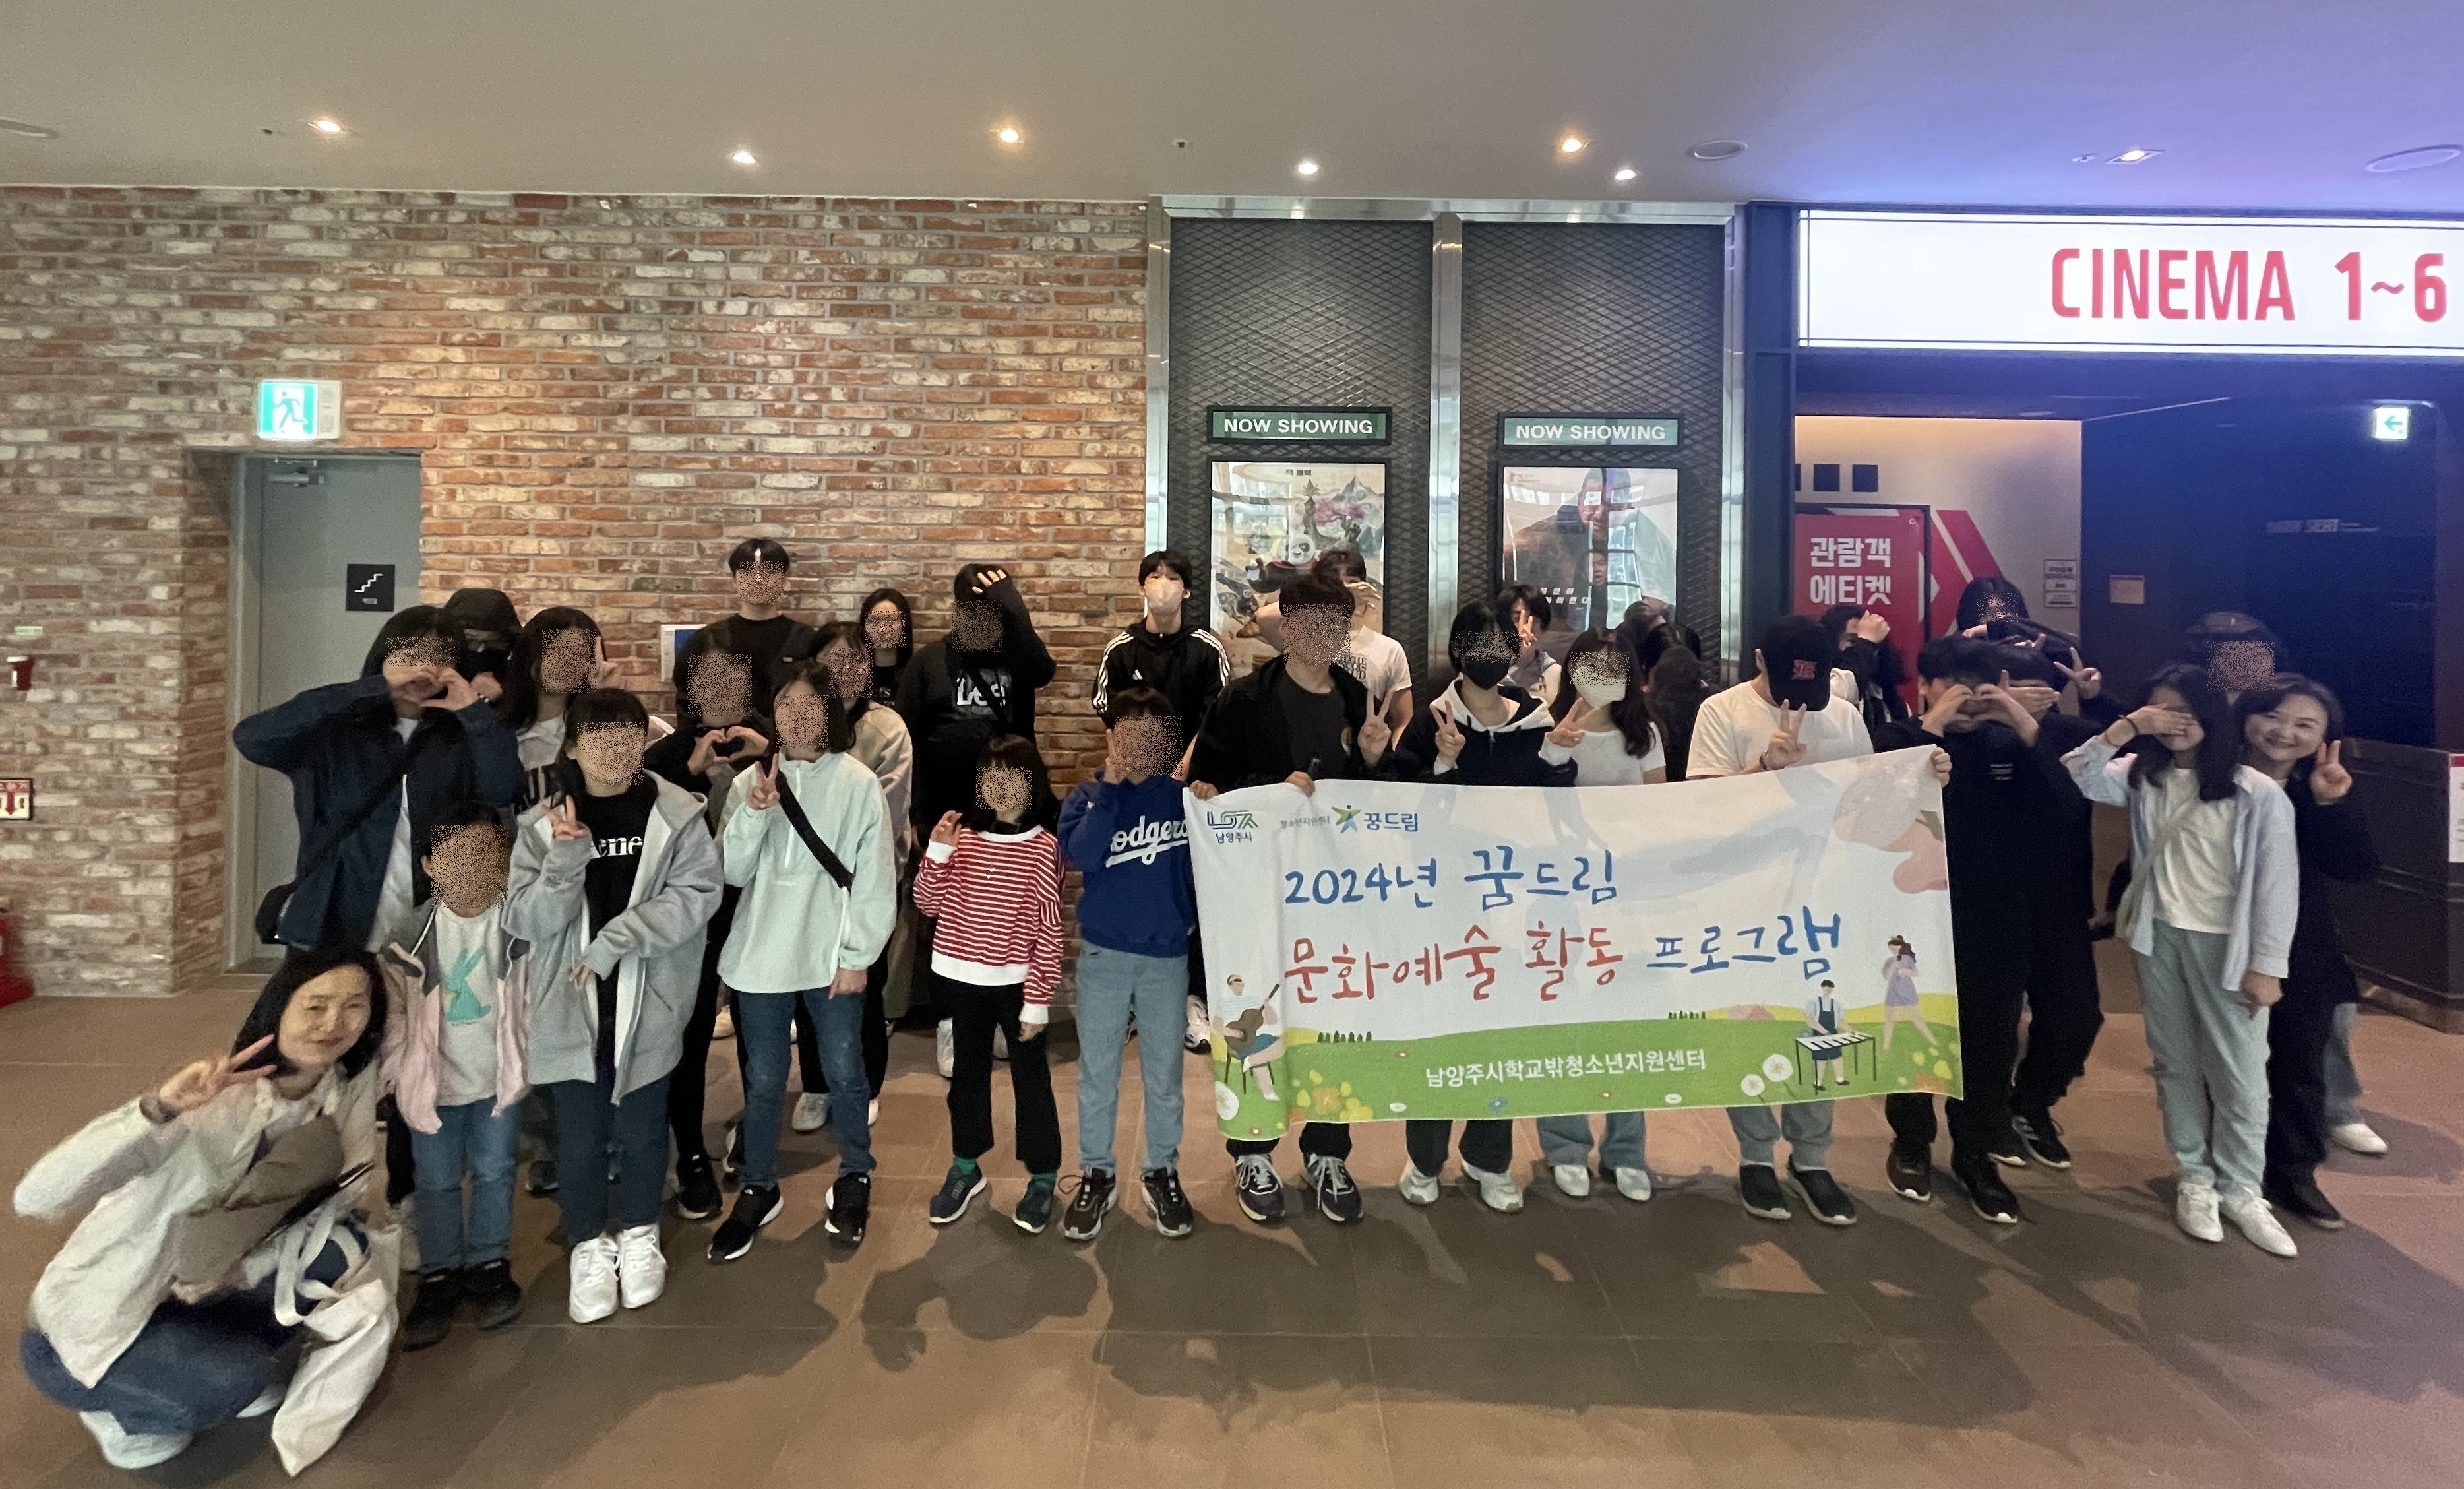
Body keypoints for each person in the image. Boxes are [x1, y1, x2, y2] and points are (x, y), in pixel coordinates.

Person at [15, 950, 393, 1473]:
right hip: (86, 1331)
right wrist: (156, 1109)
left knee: (338, 1250)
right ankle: (119, 1412)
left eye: (354, 1006)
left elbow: (335, 1204)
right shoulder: (210, 1103)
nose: (333, 1023)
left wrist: (242, 1269)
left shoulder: (336, 1096)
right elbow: (35, 1196)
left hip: (193, 1290)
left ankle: (196, 1358)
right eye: (316, 1005)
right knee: (235, 1380)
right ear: (278, 1007)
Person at [2064, 665, 2301, 1256]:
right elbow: (2073, 774)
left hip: (2229, 945)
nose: (2175, 722)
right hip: (2161, 935)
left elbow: (2278, 886)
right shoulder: (2143, 776)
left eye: (2186, 710)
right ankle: (2194, 1175)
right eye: (2162, 711)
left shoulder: (2256, 792)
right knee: (2175, 1061)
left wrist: (2268, 965)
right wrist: (2127, 726)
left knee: (2241, 1070)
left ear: (2212, 714)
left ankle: (2243, 1188)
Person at [505, 688, 722, 1321]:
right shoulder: (541, 826)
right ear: (571, 746)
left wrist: (617, 939)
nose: (615, 747)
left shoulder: (677, 814)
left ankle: (639, 1231)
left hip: (649, 995)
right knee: (579, 1135)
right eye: (598, 735)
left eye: (629, 733)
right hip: (569, 1001)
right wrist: (565, 860)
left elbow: (698, 893)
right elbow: (524, 918)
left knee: (645, 1126)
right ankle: (587, 1243)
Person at [1188, 566, 1392, 1226]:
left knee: (1335, 1017)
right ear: (1287, 625)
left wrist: (1372, 756)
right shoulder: (1243, 700)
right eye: (1311, 621)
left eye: (1337, 621)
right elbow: (1209, 791)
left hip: (1337, 896)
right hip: (1260, 891)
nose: (1324, 633)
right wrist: (1274, 789)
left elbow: (1377, 805)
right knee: (1257, 1015)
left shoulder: (1359, 698)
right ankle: (1252, 1150)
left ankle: (1327, 1151)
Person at [1872, 638, 2078, 1225]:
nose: (1966, 703)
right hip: (1913, 919)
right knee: (1913, 1030)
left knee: (1989, 1043)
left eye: (1977, 690)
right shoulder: (1901, 739)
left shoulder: (2010, 744)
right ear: (1925, 687)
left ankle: (1975, 1153)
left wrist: (2019, 720)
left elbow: (2065, 809)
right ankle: (1911, 1142)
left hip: (1998, 916)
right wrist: (1931, 728)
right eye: (1950, 688)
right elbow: (1874, 804)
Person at [1684, 613, 1872, 1226]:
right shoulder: (1723, 711)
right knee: (1752, 1027)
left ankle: (1812, 1158)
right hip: (1746, 901)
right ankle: (1756, 1155)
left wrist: (1926, 777)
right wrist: (1766, 769)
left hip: (1824, 901)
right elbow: (1699, 806)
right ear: (1760, 660)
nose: (1800, 701)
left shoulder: (1843, 716)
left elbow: (1870, 797)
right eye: (1788, 685)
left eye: (1812, 688)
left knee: (1823, 1025)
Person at [1386, 601, 1574, 1213]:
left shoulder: (1535, 717)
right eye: (1482, 645)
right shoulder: (1432, 720)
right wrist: (1443, 762)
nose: (1495, 655)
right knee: (1440, 1032)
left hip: (1515, 905)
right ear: (1459, 652)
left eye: (1503, 644)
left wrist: (1556, 757)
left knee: (1503, 1033)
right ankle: (1424, 1159)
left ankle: (1489, 1157)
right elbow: (1402, 811)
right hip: (1446, 906)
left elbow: (1555, 807)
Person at [708, 664, 896, 1259]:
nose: (795, 715)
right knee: (764, 1080)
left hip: (829, 952)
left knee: (844, 1072)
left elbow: (874, 877)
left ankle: (855, 1174)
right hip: (762, 954)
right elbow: (732, 871)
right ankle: (759, 1185)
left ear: (830, 712)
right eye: (785, 705)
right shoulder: (753, 780)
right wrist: (755, 811)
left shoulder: (858, 782)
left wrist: (858, 954)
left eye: (808, 704)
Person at [234, 606, 526, 955]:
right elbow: (253, 738)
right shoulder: (338, 729)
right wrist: (373, 688)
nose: (423, 669)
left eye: (438, 660)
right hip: (333, 917)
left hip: (432, 921)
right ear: (385, 656)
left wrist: (473, 712)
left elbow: (503, 790)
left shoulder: (461, 737)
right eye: (411, 656)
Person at [378, 800, 530, 1349]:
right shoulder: (409, 936)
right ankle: (439, 1272)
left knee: (495, 1169)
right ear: (429, 865)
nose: (473, 865)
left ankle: (489, 1261)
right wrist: (398, 1071)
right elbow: (394, 1014)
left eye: (487, 852)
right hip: (432, 1084)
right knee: (436, 1180)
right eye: (457, 854)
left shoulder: (519, 927)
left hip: (498, 1080)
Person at [898, 563, 1057, 1078]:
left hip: (1011, 815)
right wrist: (915, 812)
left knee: (1013, 918)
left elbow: (1045, 670)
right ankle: (950, 1020)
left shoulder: (1017, 657)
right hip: (950, 816)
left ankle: (1003, 1016)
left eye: (995, 606)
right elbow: (907, 740)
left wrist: (1014, 602)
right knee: (947, 919)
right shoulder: (929, 662)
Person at [1057, 684, 1200, 1242]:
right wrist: (1112, 790)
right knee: (1098, 1074)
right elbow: (1081, 855)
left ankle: (1161, 1170)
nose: (1139, 744)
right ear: (1111, 735)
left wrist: (1211, 801)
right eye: (1128, 732)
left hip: (1166, 958)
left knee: (1164, 1077)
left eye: (1151, 734)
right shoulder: (1088, 796)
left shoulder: (1182, 800)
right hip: (1104, 956)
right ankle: (1097, 1172)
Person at [2234, 675, 2378, 1231]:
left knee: (2299, 1061)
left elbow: (2357, 867)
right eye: (2272, 716)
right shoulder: (2213, 777)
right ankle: (2227, 1168)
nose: (2284, 732)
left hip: (2301, 946)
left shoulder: (2318, 786)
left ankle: (2293, 1171)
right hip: (2216, 937)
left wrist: (2330, 803)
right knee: (2222, 1061)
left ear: (2324, 737)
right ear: (2247, 715)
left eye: (2304, 724)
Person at [1527, 631, 1665, 1202]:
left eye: (1614, 668)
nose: (1602, 679)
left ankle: (1626, 1148)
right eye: (1591, 667)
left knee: (1627, 1023)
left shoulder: (1644, 735)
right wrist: (1554, 749)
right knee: (1564, 1021)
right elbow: (1528, 809)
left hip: (1623, 900)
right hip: (1559, 898)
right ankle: (1565, 1144)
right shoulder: (1544, 723)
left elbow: (1658, 812)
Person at [642, 631, 771, 1221]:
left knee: (758, 1029)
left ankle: (755, 1134)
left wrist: (769, 754)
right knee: (690, 1033)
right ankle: (690, 1152)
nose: (719, 690)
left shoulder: (772, 745)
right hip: (690, 920)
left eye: (731, 677)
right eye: (705, 679)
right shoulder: (664, 756)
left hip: (757, 911)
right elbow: (648, 839)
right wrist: (689, 774)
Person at [914, 736, 1066, 1232]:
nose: (1000, 785)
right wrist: (938, 852)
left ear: (1031, 782)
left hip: (1016, 984)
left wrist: (1038, 1001)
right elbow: (927, 903)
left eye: (1011, 775)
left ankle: (1043, 1176)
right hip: (961, 978)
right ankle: (965, 1166)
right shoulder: (964, 837)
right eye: (991, 774)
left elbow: (1049, 929)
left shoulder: (1044, 847)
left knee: (1032, 1080)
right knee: (967, 1077)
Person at [814, 622, 915, 1107]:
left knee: (863, 984)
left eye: (854, 660)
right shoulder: (801, 720)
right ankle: (816, 1084)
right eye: (832, 661)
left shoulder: (887, 727)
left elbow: (885, 810)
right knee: (811, 980)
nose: (844, 671)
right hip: (808, 880)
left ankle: (867, 1083)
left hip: (867, 878)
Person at [501, 606, 621, 808]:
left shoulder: (588, 731)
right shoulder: (499, 728)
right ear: (533, 652)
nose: (566, 663)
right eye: (557, 651)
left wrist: (607, 699)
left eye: (579, 655)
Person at [698, 538, 818, 709]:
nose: (759, 580)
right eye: (748, 571)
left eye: (769, 571)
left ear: (784, 579)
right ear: (734, 580)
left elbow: (821, 703)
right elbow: (690, 704)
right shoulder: (709, 639)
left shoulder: (806, 639)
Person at [1316, 548, 1415, 736]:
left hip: (1370, 743)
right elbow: (1266, 617)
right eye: (1336, 584)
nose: (1347, 591)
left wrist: (1393, 750)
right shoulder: (1305, 639)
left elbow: (1404, 718)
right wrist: (1333, 599)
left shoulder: (1390, 649)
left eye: (1353, 584)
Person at [1819, 604, 1912, 732]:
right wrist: (1865, 643)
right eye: (1853, 641)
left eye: (1874, 643)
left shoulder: (1891, 701)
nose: (1867, 649)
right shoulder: (1824, 689)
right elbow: (1845, 689)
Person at [442, 588, 523, 704]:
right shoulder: (432, 678)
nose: (480, 650)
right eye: (471, 641)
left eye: (493, 642)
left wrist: (502, 699)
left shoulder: (518, 679)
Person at [1497, 584, 1563, 704]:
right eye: (1517, 619)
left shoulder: (1555, 673)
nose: (1526, 628)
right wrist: (1520, 664)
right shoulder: (1486, 665)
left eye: (1534, 620)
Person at [861, 586, 915, 706]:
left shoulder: (916, 672)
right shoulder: (854, 672)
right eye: (875, 621)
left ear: (904, 625)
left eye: (891, 621)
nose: (883, 629)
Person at [1878, 936, 1934, 1050]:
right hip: (1893, 990)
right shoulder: (1889, 961)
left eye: (1895, 946)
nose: (1893, 949)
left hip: (1906, 990)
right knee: (1889, 1018)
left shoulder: (1907, 959)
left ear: (1900, 946)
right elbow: (1886, 977)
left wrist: (1905, 971)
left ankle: (1932, 1040)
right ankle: (1886, 1045)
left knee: (1915, 1016)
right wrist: (1893, 967)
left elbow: (1915, 973)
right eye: (1891, 947)